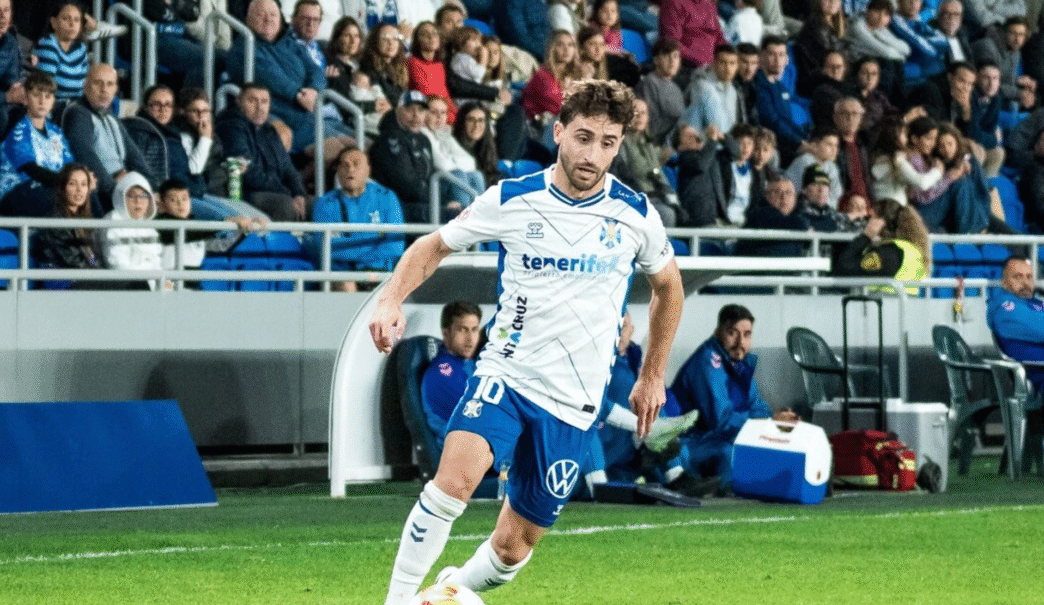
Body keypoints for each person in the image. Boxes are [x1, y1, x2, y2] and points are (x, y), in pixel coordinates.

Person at [371, 79, 682, 605]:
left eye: (608, 142)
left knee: (513, 548)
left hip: (574, 402)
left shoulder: (635, 214)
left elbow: (669, 288)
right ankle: (397, 601)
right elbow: (432, 246)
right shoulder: (512, 199)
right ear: (558, 132)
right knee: (453, 483)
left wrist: (652, 375)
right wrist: (389, 300)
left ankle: (448, 588)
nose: (593, 154)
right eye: (583, 137)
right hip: (507, 376)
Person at [669, 304, 798, 494]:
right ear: (718, 332)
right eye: (732, 333)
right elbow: (720, 420)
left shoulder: (739, 364)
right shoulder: (708, 361)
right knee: (733, 454)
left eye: (747, 335)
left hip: (718, 440)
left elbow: (757, 407)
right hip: (690, 444)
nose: (740, 343)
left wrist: (776, 422)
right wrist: (768, 424)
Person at [230, 0, 352, 156]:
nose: (268, 19)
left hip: (308, 116)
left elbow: (315, 70)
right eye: (261, 15)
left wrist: (313, 89)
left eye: (273, 15)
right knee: (345, 152)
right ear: (248, 19)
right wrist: (298, 94)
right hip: (282, 118)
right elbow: (272, 77)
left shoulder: (289, 42)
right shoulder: (244, 48)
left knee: (365, 145)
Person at [61, 63, 155, 213]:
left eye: (110, 84)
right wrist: (114, 190)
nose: (104, 89)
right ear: (85, 86)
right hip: (103, 193)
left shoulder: (110, 116)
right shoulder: (78, 113)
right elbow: (84, 155)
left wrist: (153, 187)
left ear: (115, 89)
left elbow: (134, 155)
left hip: (126, 187)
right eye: (98, 83)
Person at [309, 147, 404, 291]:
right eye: (345, 165)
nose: (350, 169)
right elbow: (327, 248)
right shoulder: (324, 204)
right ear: (338, 171)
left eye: (356, 164)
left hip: (378, 272)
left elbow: (395, 246)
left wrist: (357, 254)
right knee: (346, 286)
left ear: (368, 170)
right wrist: (370, 248)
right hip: (341, 273)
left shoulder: (386, 197)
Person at [214, 83, 309, 220]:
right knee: (284, 204)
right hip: (244, 193)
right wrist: (288, 192)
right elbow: (250, 175)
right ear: (238, 102)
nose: (259, 107)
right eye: (252, 101)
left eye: (264, 102)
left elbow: (288, 168)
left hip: (274, 191)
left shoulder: (268, 130)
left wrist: (298, 194)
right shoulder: (231, 126)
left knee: (314, 204)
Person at [0, 71, 73, 217]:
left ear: (53, 101)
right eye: (36, 95)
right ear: (26, 99)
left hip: (50, 188)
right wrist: (66, 182)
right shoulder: (18, 128)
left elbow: (68, 166)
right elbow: (30, 168)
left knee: (89, 195)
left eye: (47, 96)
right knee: (58, 201)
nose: (42, 101)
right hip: (15, 192)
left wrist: (80, 181)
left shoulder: (56, 133)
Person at [421, 301, 483, 455]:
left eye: (474, 330)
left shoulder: (471, 364)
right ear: (446, 333)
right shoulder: (441, 374)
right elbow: (476, 418)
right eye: (463, 330)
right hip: (464, 454)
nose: (470, 339)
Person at [610, 98, 681, 227]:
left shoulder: (648, 144)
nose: (639, 116)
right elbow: (623, 177)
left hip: (654, 197)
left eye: (643, 113)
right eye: (635, 112)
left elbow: (658, 174)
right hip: (633, 199)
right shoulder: (619, 144)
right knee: (667, 214)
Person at [368, 91, 436, 223]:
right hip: (394, 207)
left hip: (422, 203)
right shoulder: (389, 139)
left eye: (421, 110)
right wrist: (439, 201)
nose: (416, 115)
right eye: (410, 109)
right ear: (397, 111)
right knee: (456, 216)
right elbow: (406, 185)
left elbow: (431, 176)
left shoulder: (423, 139)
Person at [833, 196, 930, 284]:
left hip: (880, 297)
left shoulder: (888, 253)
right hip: (904, 298)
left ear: (881, 222)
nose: (865, 222)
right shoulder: (912, 249)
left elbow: (843, 268)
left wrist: (865, 237)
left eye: (870, 218)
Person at [31, 163, 102, 281]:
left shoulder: (85, 221)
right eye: (72, 184)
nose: (79, 190)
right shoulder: (55, 223)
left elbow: (93, 259)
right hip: (65, 281)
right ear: (62, 187)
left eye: (84, 184)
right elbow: (72, 263)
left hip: (86, 278)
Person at [96, 171, 163, 290]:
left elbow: (156, 263)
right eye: (132, 195)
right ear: (121, 196)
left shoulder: (148, 226)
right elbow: (118, 267)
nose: (138, 201)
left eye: (143, 195)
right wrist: (151, 278)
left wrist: (162, 282)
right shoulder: (112, 223)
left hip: (149, 286)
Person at [987, 256, 1044, 392]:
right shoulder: (1004, 307)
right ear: (1004, 282)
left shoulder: (1035, 304)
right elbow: (1040, 329)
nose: (1025, 283)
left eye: (1029, 277)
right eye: (1018, 277)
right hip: (1035, 374)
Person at [754, 36, 809, 166]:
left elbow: (787, 120)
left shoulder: (780, 87)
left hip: (787, 143)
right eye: (772, 54)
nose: (777, 60)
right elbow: (772, 120)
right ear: (761, 56)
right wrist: (798, 142)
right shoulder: (757, 84)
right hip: (771, 146)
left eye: (781, 55)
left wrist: (805, 138)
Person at [736, 173, 810, 256]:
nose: (783, 197)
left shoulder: (798, 215)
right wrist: (804, 225)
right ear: (766, 196)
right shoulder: (760, 214)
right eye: (777, 192)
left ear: (795, 198)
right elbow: (796, 224)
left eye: (788, 192)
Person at [32, 0, 90, 103]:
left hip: (75, 105)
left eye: (76, 20)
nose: (72, 24)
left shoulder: (81, 49)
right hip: (52, 106)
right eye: (66, 19)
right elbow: (45, 89)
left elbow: (84, 86)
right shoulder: (47, 45)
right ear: (54, 22)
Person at [683, 44, 744, 135]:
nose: (728, 68)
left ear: (737, 66)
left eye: (732, 63)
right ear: (714, 63)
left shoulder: (732, 91)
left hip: (725, 141)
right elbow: (715, 127)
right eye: (723, 63)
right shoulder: (702, 86)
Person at [634, 38, 685, 146]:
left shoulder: (676, 89)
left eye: (675, 56)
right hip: (656, 144)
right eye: (666, 56)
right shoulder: (649, 83)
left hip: (675, 140)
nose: (672, 61)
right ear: (656, 60)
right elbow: (650, 126)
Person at [797, 164, 847, 232]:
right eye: (815, 184)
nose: (821, 189)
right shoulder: (797, 211)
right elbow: (808, 225)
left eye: (825, 185)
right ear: (804, 190)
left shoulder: (831, 212)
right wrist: (845, 218)